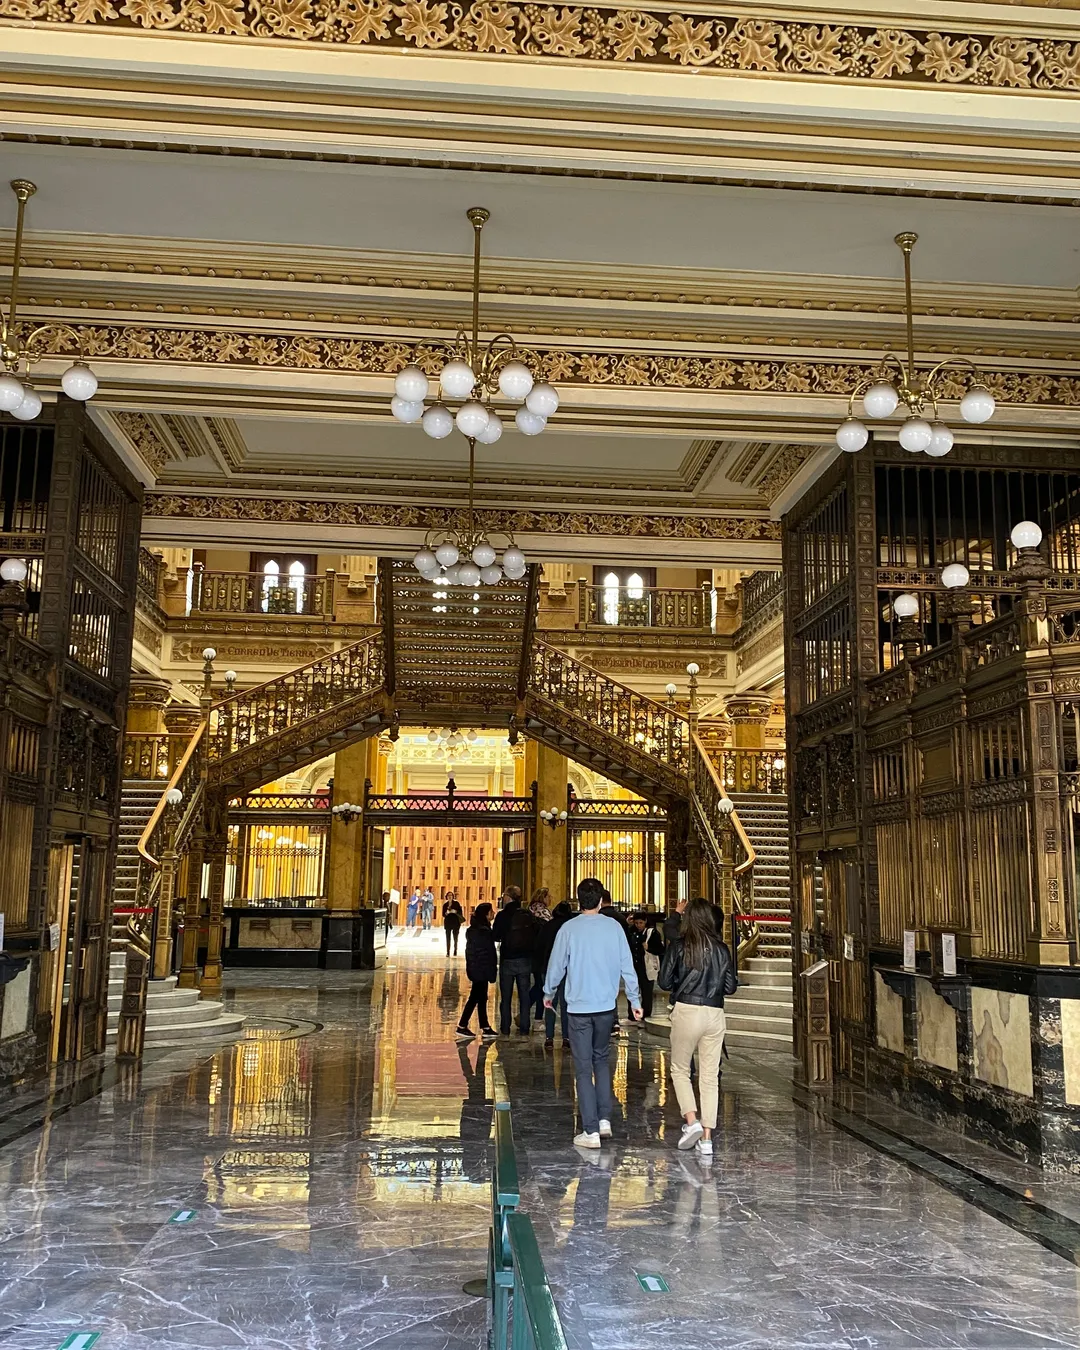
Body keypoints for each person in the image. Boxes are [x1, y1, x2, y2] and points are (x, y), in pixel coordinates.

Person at [543, 876, 642, 1150]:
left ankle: (590, 1130)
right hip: (605, 1008)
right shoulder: (614, 928)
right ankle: (605, 1120)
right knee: (601, 1061)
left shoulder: (569, 929)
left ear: (578, 901)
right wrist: (634, 1000)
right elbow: (627, 967)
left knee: (583, 1068)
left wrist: (548, 993)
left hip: (577, 1008)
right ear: (601, 900)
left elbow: (556, 965)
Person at [657, 896, 737, 1160]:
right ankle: (706, 1139)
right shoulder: (722, 949)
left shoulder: (679, 946)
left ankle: (690, 1120)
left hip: (687, 1011)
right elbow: (730, 987)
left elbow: (665, 981)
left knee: (680, 1069)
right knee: (709, 1076)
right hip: (715, 1013)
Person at [492, 885, 538, 1034]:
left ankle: (505, 1027)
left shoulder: (502, 915)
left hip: (508, 960)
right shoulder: (527, 914)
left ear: (508, 897)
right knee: (524, 996)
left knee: (506, 997)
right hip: (525, 959)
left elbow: (496, 935)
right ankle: (524, 1026)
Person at [456, 902, 499, 1040]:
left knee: (481, 997)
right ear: (486, 915)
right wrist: (489, 970)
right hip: (481, 969)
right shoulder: (483, 932)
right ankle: (462, 1025)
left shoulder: (476, 929)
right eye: (491, 911)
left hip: (478, 969)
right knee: (475, 997)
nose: (493, 913)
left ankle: (485, 1026)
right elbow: (485, 953)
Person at [536, 900, 573, 1047]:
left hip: (549, 968)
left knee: (550, 1002)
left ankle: (549, 1037)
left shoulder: (548, 926)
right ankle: (566, 1037)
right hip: (567, 969)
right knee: (566, 1003)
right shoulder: (571, 927)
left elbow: (539, 946)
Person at [627, 912, 664, 1020]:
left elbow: (660, 950)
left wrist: (648, 948)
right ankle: (633, 1015)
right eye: (636, 923)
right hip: (634, 967)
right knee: (632, 992)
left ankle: (645, 1015)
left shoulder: (652, 933)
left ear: (645, 922)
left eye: (641, 923)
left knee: (646, 993)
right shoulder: (632, 932)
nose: (639, 925)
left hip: (646, 968)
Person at [528, 887, 553, 1026]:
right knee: (541, 986)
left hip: (532, 954)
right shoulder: (544, 913)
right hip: (542, 955)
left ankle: (527, 1011)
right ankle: (537, 1017)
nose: (550, 899)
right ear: (543, 897)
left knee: (539, 985)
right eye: (548, 896)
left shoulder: (530, 910)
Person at [442, 891, 464, 956]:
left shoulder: (456, 903)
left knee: (455, 937)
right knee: (448, 938)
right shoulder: (445, 905)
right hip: (448, 922)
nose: (450, 896)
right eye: (448, 895)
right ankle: (448, 951)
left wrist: (455, 911)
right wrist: (447, 913)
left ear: (453, 896)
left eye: (451, 895)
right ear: (446, 896)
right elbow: (443, 914)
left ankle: (455, 950)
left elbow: (460, 912)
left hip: (455, 922)